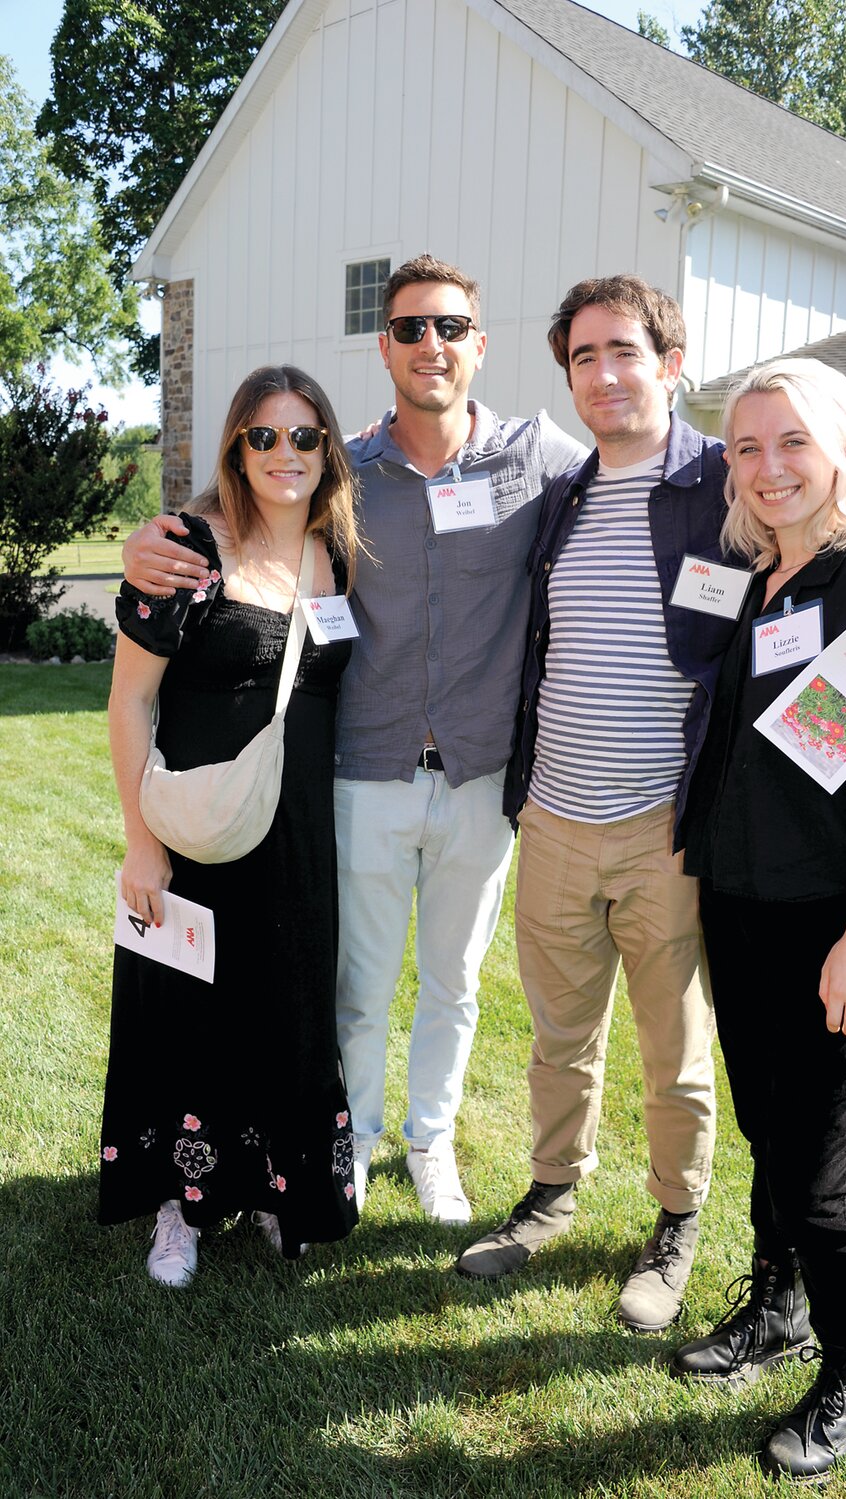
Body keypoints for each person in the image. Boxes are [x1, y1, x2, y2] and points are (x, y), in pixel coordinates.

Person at [455, 278, 846, 1338]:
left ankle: (675, 1222)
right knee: (560, 1035)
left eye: (624, 351)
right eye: (582, 356)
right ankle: (552, 1193)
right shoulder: (562, 489)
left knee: (672, 1049)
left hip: (669, 825)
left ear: (669, 362)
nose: (603, 374)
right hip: (559, 813)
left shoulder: (721, 482)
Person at [119, 255, 587, 1225]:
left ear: (479, 343)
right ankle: (354, 1145)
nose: (431, 345)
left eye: (449, 327)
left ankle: (431, 1141)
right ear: (383, 347)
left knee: (454, 985)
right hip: (363, 775)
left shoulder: (535, 456)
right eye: (411, 328)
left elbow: (654, 472)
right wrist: (142, 543)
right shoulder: (345, 476)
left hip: (476, 777)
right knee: (360, 989)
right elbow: (238, 518)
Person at [669, 358, 846, 1483]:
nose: (766, 466)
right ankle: (773, 1305)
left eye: (790, 442)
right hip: (740, 910)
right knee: (766, 1139)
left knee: (817, 1175)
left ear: (841, 450)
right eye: (744, 446)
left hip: (836, 923)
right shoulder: (757, 579)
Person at [102, 365, 360, 1285]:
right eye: (263, 436)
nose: (283, 453)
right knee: (190, 1018)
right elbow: (130, 700)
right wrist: (143, 840)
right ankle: (180, 1204)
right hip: (199, 836)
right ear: (236, 448)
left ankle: (268, 1186)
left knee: (284, 1009)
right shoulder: (188, 548)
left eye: (302, 436)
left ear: (327, 447)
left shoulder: (339, 551)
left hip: (296, 840)